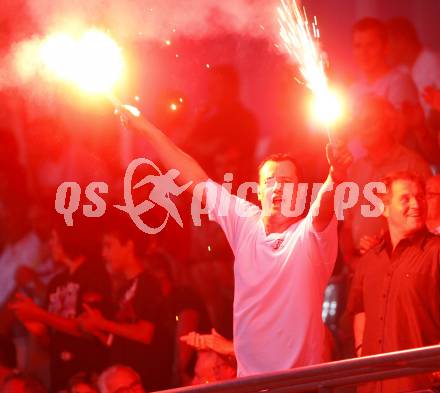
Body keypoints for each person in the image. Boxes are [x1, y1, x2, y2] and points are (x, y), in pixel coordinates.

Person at [119, 104, 352, 377]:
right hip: (248, 384)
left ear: (300, 192)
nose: (278, 186)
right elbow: (195, 179)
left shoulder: (310, 233)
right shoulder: (245, 221)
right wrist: (147, 129)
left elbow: (325, 204)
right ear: (259, 190)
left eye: (287, 181)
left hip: (300, 384)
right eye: (270, 181)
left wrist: (336, 175)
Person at [347, 171, 440, 393]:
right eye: (405, 198)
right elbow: (359, 307)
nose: (416, 204)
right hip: (370, 386)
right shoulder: (368, 261)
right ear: (384, 208)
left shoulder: (436, 253)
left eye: (420, 197)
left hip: (420, 386)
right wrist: (361, 347)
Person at [10, 220, 111, 392]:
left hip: (87, 375)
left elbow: (89, 329)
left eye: (54, 238)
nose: (50, 244)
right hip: (60, 376)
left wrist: (40, 314)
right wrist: (38, 329)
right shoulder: (56, 282)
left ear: (68, 239)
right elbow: (51, 341)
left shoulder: (94, 274)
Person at [78, 214, 171, 391]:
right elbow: (121, 341)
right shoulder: (123, 290)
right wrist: (96, 329)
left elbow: (145, 333)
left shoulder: (148, 284)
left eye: (108, 246)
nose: (103, 254)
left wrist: (102, 323)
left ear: (128, 246)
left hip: (148, 383)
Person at [340, 96, 432, 268]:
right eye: (360, 122)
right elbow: (346, 226)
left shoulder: (412, 164)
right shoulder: (354, 170)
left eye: (369, 121)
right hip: (361, 269)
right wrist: (351, 262)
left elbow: (430, 221)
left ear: (389, 124)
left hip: (403, 268)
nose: (363, 128)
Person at [386, 17, 440, 118]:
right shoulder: (401, 71)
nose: (386, 50)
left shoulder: (432, 62)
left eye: (389, 43)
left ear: (401, 40)